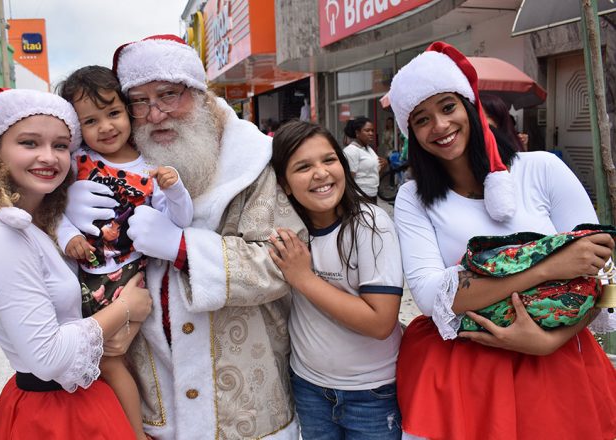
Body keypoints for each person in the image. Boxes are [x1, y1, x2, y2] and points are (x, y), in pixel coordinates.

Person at [63, 34, 306, 439]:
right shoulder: (100, 166)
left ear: (200, 95)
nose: (155, 114)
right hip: (154, 398)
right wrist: (61, 212)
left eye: (169, 94)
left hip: (244, 403)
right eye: (139, 101)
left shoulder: (251, 163)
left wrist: (183, 248)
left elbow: (283, 266)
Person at [388, 41, 616, 439]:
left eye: (447, 107)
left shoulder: (542, 170)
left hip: (558, 366)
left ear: (470, 107)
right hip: (465, 375)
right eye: (421, 119)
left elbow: (607, 273)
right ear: (411, 133)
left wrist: (548, 342)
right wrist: (548, 266)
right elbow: (430, 296)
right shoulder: (413, 197)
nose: (439, 126)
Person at [0, 88, 153, 439]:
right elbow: (48, 357)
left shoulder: (34, 222)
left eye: (61, 145)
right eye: (30, 143)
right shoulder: (1, 235)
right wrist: (125, 308)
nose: (49, 157)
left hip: (76, 401)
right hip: (53, 415)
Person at [56, 65, 193, 440]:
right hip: (84, 276)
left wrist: (176, 188)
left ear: (127, 111)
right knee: (96, 362)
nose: (106, 127)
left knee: (112, 359)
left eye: (113, 113)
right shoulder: (75, 162)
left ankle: (133, 432)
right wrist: (67, 234)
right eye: (91, 120)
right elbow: (53, 211)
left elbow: (179, 219)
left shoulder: (151, 164)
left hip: (130, 276)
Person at [269, 120, 404, 439]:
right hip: (309, 388)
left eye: (329, 160)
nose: (320, 173)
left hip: (371, 394)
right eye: (303, 166)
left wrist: (304, 278)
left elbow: (381, 322)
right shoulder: (287, 233)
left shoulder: (371, 224)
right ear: (285, 184)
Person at [343, 117, 383, 199]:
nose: (371, 133)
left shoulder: (368, 149)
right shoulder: (351, 150)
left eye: (372, 130)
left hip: (372, 194)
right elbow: (349, 180)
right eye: (367, 130)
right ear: (357, 133)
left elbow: (374, 172)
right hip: (360, 196)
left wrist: (384, 165)